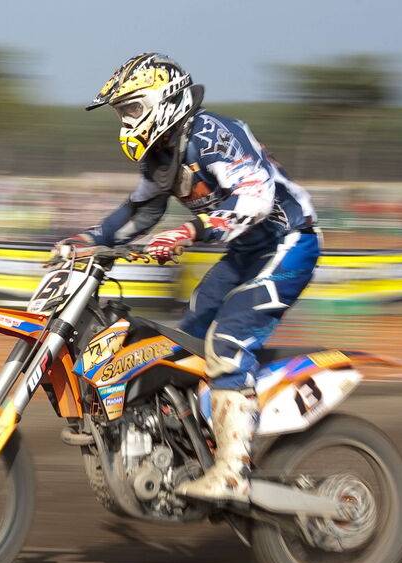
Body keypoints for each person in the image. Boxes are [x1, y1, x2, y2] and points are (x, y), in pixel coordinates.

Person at [57, 52, 320, 504]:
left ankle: (233, 472)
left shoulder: (212, 134)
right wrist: (87, 240)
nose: (126, 122)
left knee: (228, 340)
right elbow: (141, 212)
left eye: (132, 109)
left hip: (289, 242)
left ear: (163, 100)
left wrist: (189, 231)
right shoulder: (162, 156)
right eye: (122, 114)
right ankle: (193, 443)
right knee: (184, 339)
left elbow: (256, 199)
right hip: (246, 252)